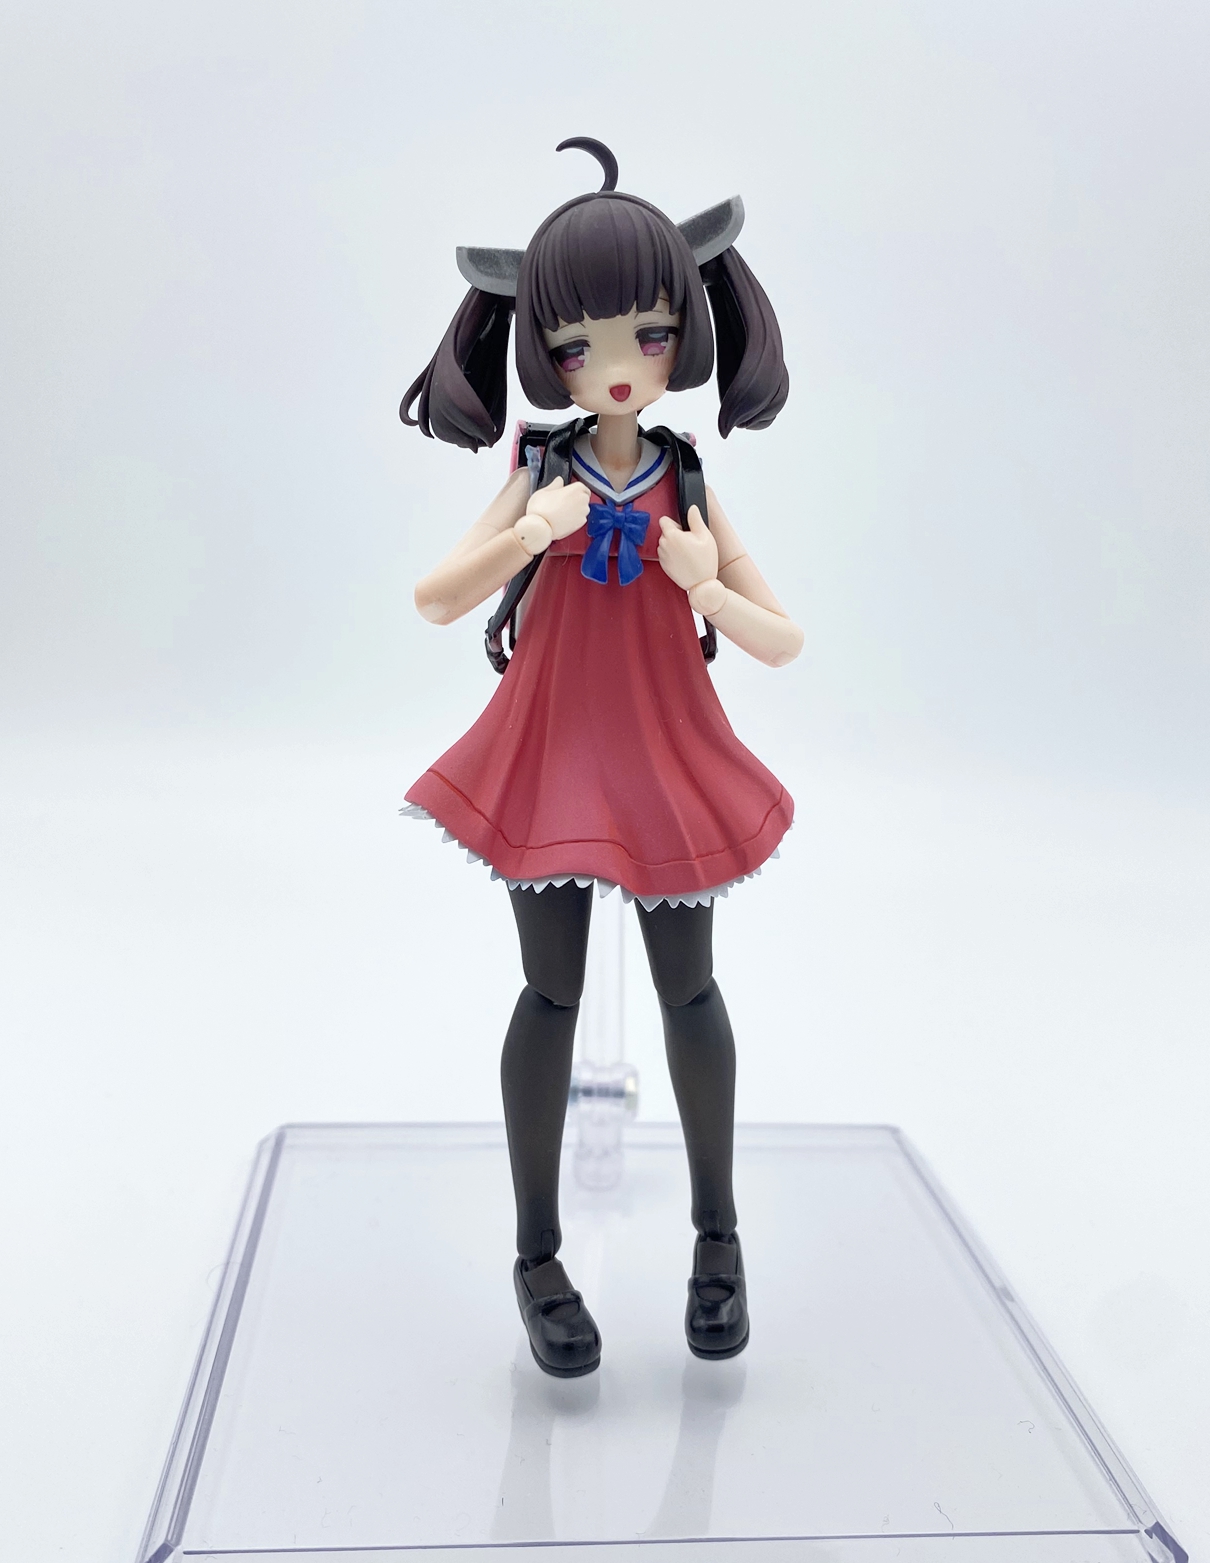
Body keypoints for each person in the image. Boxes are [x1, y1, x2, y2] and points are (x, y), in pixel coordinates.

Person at [400, 139, 802, 1377]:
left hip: (666, 753)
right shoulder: (539, 466)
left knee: (690, 993)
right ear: (541, 349)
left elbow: (782, 639)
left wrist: (704, 584)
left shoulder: (687, 477)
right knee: (551, 996)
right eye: (579, 346)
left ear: (686, 334)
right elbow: (435, 598)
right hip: (554, 754)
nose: (619, 368)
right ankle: (537, 1257)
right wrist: (529, 530)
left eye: (650, 335)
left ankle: (718, 1240)